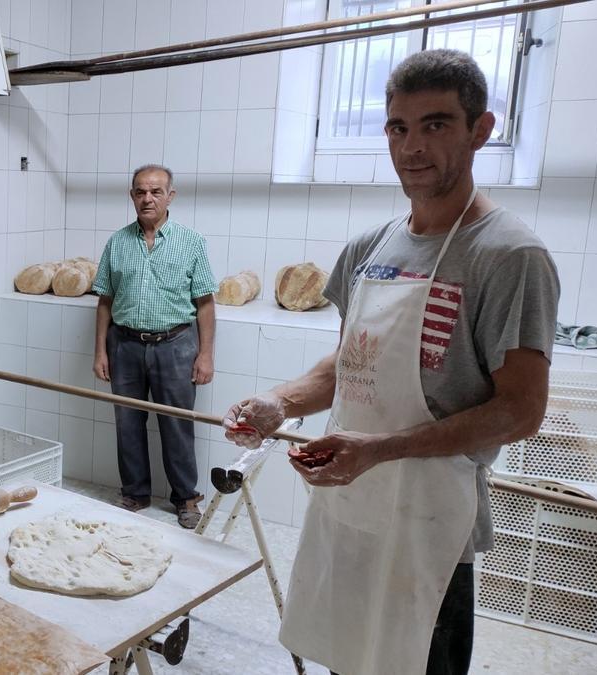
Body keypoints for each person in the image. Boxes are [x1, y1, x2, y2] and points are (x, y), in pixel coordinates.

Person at [223, 50, 558, 675]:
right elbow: (351, 365)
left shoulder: (509, 255)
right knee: (346, 660)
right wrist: (281, 402)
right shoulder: (369, 248)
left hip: (431, 524)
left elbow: (521, 411)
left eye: (436, 125)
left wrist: (379, 449)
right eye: (398, 128)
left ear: (480, 130)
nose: (412, 147)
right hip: (347, 509)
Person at [93, 164, 218, 529]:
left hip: (176, 344)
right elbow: (104, 301)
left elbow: (205, 304)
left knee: (177, 423)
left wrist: (205, 354)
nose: (147, 198)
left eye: (155, 192)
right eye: (140, 192)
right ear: (132, 196)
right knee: (127, 422)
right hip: (125, 345)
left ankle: (185, 498)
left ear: (170, 196)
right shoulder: (117, 242)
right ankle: (135, 492)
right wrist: (100, 350)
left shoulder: (191, 242)